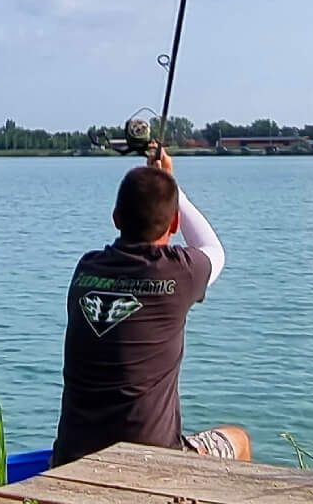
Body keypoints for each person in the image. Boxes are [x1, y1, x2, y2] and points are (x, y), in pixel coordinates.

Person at [52, 145, 251, 465]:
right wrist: (175, 189)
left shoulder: (86, 269)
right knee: (238, 440)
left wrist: (166, 188)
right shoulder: (180, 272)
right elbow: (213, 249)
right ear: (173, 225)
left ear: (116, 218)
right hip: (152, 463)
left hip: (72, 459)